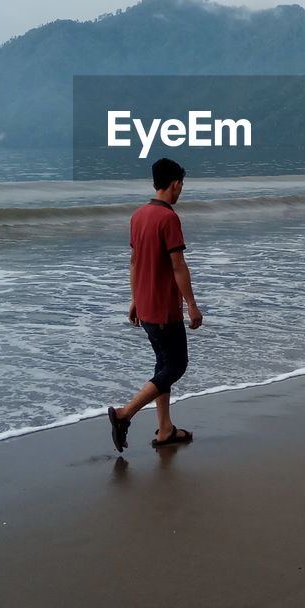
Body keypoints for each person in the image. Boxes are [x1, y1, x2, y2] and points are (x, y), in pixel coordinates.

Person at [108, 157, 203, 451]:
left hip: (146, 307)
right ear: (175, 184)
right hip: (163, 308)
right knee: (176, 366)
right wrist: (191, 304)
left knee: (163, 366)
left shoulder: (138, 215)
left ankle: (165, 430)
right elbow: (178, 265)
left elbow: (134, 261)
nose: (180, 191)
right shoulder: (168, 218)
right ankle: (125, 414)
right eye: (181, 185)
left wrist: (134, 298)